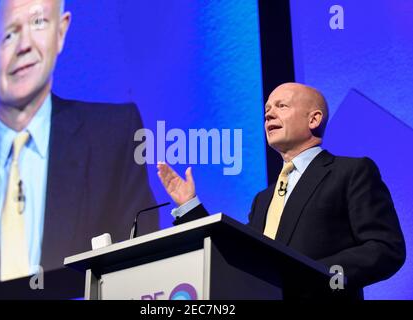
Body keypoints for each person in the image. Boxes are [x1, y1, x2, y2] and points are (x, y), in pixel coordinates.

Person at [0, 0, 158, 288]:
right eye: (9, 35)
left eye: (38, 23)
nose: (24, 45)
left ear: (61, 32)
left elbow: (145, 267)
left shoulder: (114, 135)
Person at [157, 82, 406, 299]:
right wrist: (190, 206)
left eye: (281, 106)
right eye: (266, 110)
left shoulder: (350, 172)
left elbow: (385, 248)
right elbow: (240, 257)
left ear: (314, 119)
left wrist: (315, 277)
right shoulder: (263, 199)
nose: (268, 115)